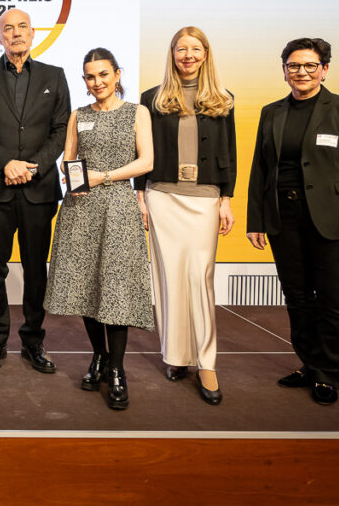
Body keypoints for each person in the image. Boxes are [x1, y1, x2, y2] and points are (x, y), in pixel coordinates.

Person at [246, 37, 339, 406]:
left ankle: (328, 374)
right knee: (298, 297)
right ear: (284, 70)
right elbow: (261, 169)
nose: (301, 72)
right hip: (283, 219)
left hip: (333, 221)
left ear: (324, 69)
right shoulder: (272, 112)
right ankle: (310, 363)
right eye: (294, 65)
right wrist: (256, 220)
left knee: (333, 300)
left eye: (309, 65)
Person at [0, 8, 70, 373]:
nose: (16, 33)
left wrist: (33, 166)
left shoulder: (55, 76)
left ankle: (33, 341)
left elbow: (61, 130)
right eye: (8, 28)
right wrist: (6, 162)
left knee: (36, 270)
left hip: (39, 188)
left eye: (22, 26)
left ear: (33, 33)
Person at [45, 48, 153, 410]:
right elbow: (69, 158)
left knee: (115, 290)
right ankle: (99, 357)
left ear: (117, 74)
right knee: (86, 286)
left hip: (118, 207)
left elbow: (146, 161)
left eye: (104, 74)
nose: (97, 82)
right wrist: (72, 175)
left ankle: (118, 369)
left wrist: (103, 176)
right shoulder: (78, 115)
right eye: (90, 76)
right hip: (80, 209)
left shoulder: (137, 112)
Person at [136, 26, 235, 405]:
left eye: (195, 49)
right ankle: (176, 356)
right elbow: (140, 150)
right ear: (172, 54)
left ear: (205, 54)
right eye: (181, 49)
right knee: (169, 279)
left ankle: (206, 363)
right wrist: (140, 195)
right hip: (162, 197)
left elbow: (229, 152)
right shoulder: (152, 99)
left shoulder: (223, 99)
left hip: (205, 200)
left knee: (200, 279)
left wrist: (226, 199)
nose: (188, 55)